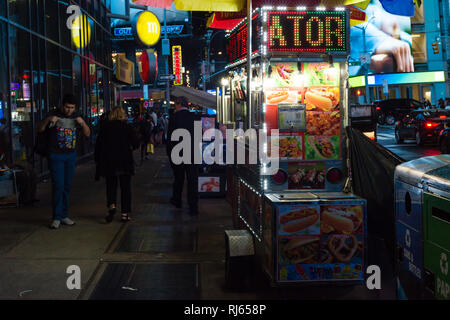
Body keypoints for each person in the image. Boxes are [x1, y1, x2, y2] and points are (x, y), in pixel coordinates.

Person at [37, 93, 90, 229]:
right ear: (62, 105)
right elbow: (40, 129)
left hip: (70, 155)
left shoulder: (77, 116)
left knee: (66, 186)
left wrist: (82, 123)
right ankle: (56, 216)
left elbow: (88, 133)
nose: (69, 110)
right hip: (55, 155)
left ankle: (63, 215)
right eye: (67, 107)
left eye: (72, 108)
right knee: (58, 186)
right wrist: (49, 119)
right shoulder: (53, 113)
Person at [95, 107, 139, 223]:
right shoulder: (127, 127)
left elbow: (99, 145)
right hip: (124, 161)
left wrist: (98, 160)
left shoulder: (105, 128)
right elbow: (135, 143)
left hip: (109, 161)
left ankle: (112, 206)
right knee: (125, 188)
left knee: (111, 185)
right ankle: (124, 214)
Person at [166, 97, 199, 215]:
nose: (175, 106)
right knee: (192, 180)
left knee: (178, 178)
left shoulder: (174, 118)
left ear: (179, 104)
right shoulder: (194, 117)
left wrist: (169, 153)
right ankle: (193, 206)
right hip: (192, 152)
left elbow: (170, 138)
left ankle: (177, 200)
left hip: (177, 152)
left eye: (175, 104)